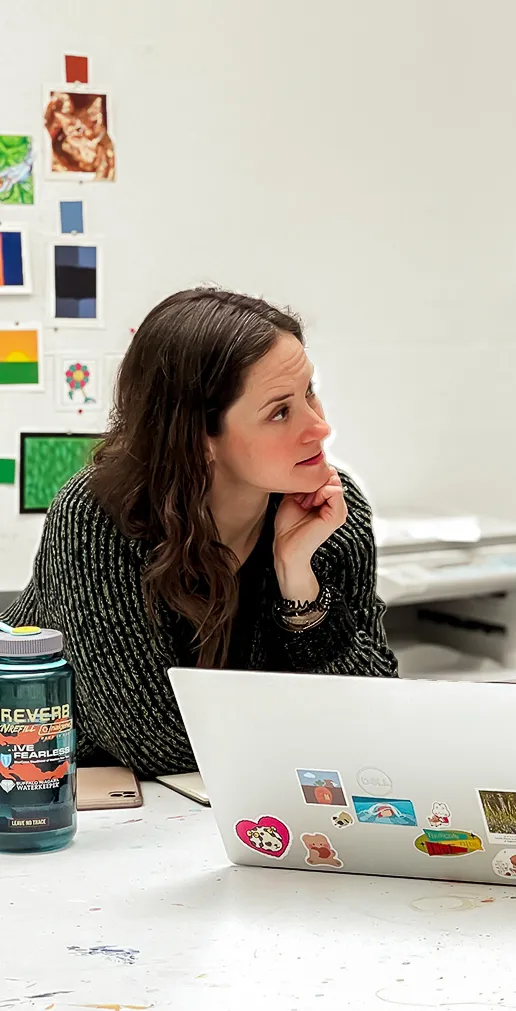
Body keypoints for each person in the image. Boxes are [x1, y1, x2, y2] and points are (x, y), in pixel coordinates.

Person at [1, 288, 397, 777]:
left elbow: (376, 709)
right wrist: (314, 728)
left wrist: (300, 584)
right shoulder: (97, 514)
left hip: (235, 800)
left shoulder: (329, 506)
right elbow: (154, 743)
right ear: (199, 438)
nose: (321, 428)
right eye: (280, 411)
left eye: (310, 391)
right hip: (64, 798)